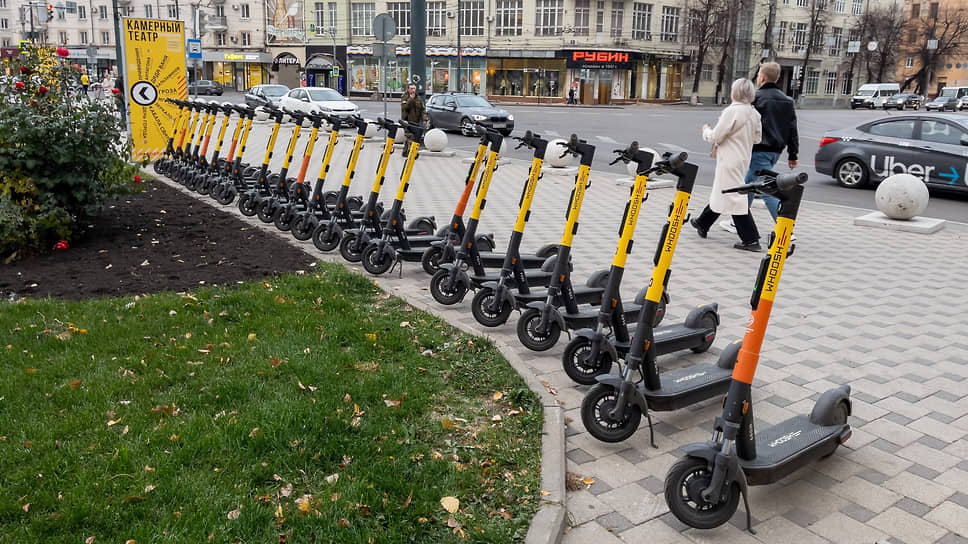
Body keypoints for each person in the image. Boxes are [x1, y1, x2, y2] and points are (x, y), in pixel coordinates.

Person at [721, 61, 799, 236]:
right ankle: (737, 220)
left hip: (758, 150)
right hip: (776, 151)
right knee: (749, 185)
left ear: (762, 78)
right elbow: (792, 129)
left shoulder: (755, 98)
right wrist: (793, 154)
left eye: (758, 76)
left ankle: (785, 229)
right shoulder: (787, 101)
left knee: (766, 189)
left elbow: (744, 122)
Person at [689, 78, 763, 252]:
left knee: (734, 195)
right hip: (743, 158)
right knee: (723, 191)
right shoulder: (755, 114)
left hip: (729, 159)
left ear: (734, 93)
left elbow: (715, 136)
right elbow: (757, 139)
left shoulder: (731, 111)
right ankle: (702, 223)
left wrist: (705, 131)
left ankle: (751, 239)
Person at [400, 82, 424, 158]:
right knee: (410, 136)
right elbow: (405, 108)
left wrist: (424, 118)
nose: (413, 90)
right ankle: (412, 153)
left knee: (409, 137)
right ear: (408, 89)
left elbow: (422, 109)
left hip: (416, 121)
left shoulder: (418, 98)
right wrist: (410, 99)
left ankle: (405, 152)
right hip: (407, 120)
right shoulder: (404, 97)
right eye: (411, 88)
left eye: (414, 88)